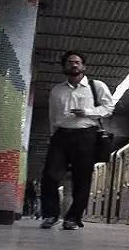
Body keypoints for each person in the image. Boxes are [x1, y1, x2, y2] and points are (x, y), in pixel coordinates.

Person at [41, 52, 115, 229]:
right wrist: (52, 135)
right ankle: (51, 214)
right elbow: (53, 115)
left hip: (86, 136)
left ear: (84, 67)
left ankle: (73, 218)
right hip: (60, 136)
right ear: (64, 67)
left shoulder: (96, 86)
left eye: (77, 62)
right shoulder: (57, 90)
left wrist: (88, 112)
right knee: (50, 176)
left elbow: (109, 107)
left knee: (82, 179)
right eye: (70, 62)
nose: (74, 65)